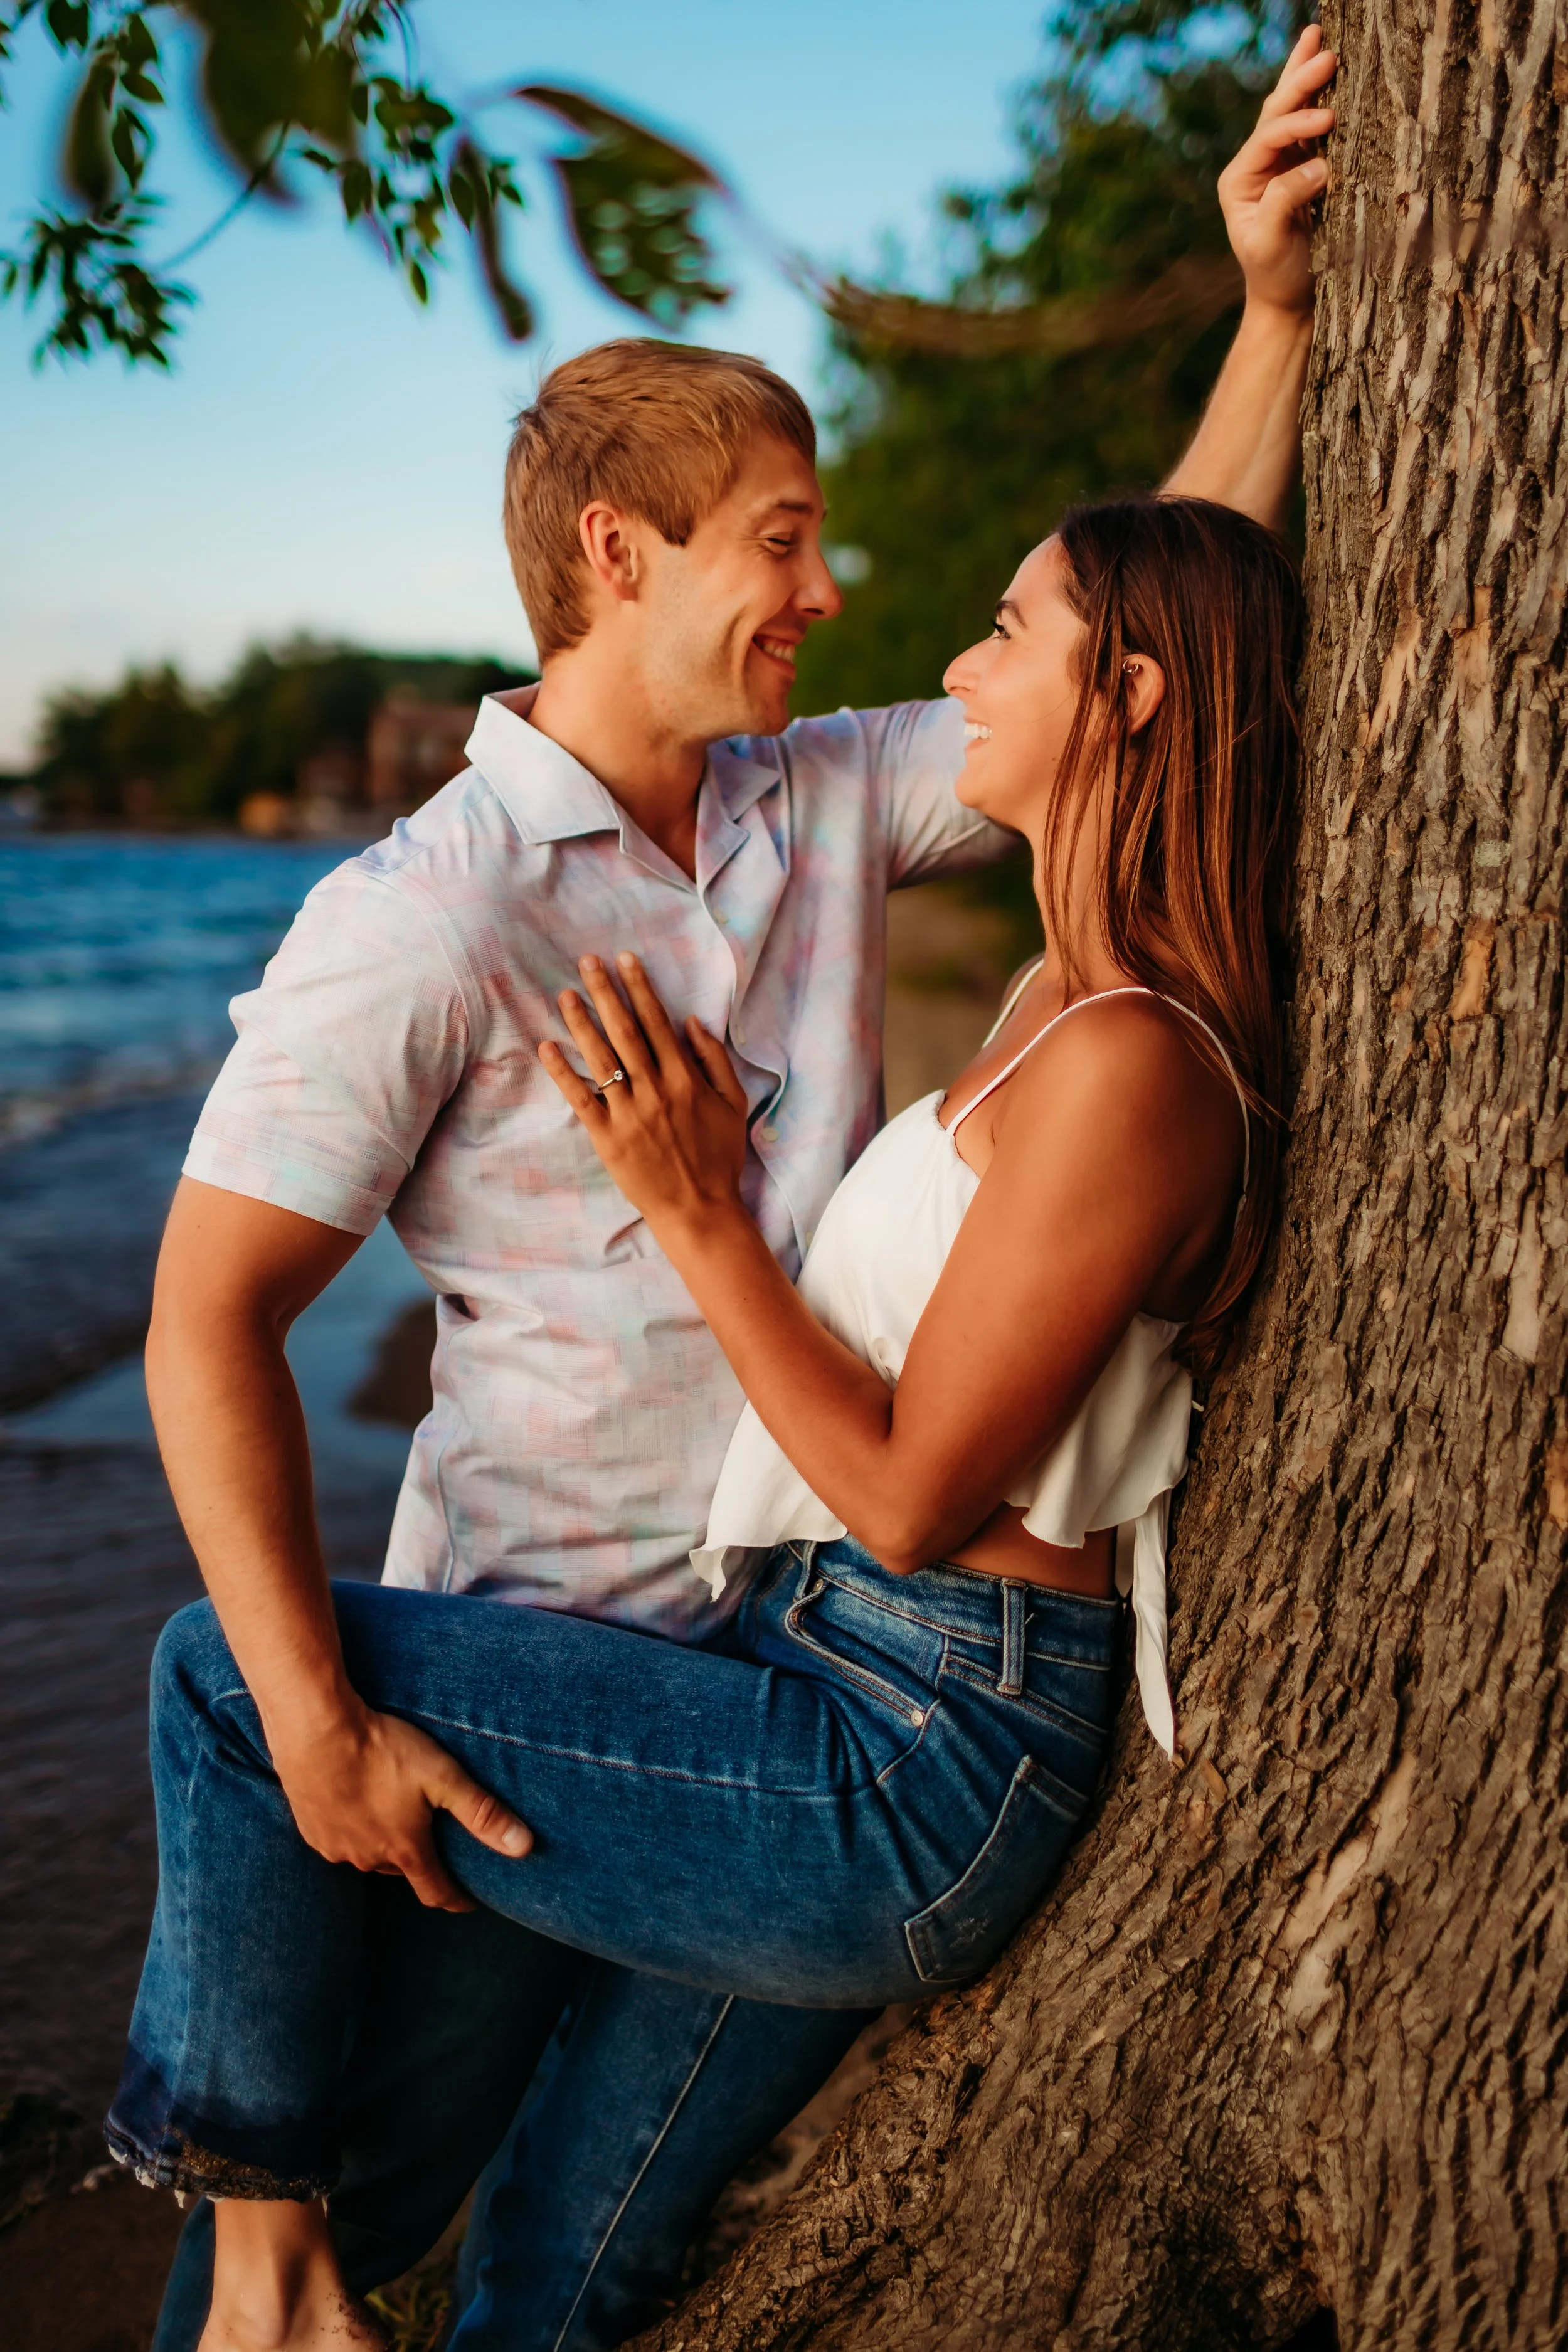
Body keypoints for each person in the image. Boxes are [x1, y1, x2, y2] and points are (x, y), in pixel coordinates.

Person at [120, 30, 1337, 2351]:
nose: (826, 583)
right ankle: (255, 2265)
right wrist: (310, 1709)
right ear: (620, 550)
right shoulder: (425, 912)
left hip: (811, 1669)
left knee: (572, 2276)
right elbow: (201, 1318)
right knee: (363, 2195)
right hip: (543, 1678)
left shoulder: (829, 803)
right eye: (781, 535)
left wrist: (1266, 319)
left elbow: (1149, 642)